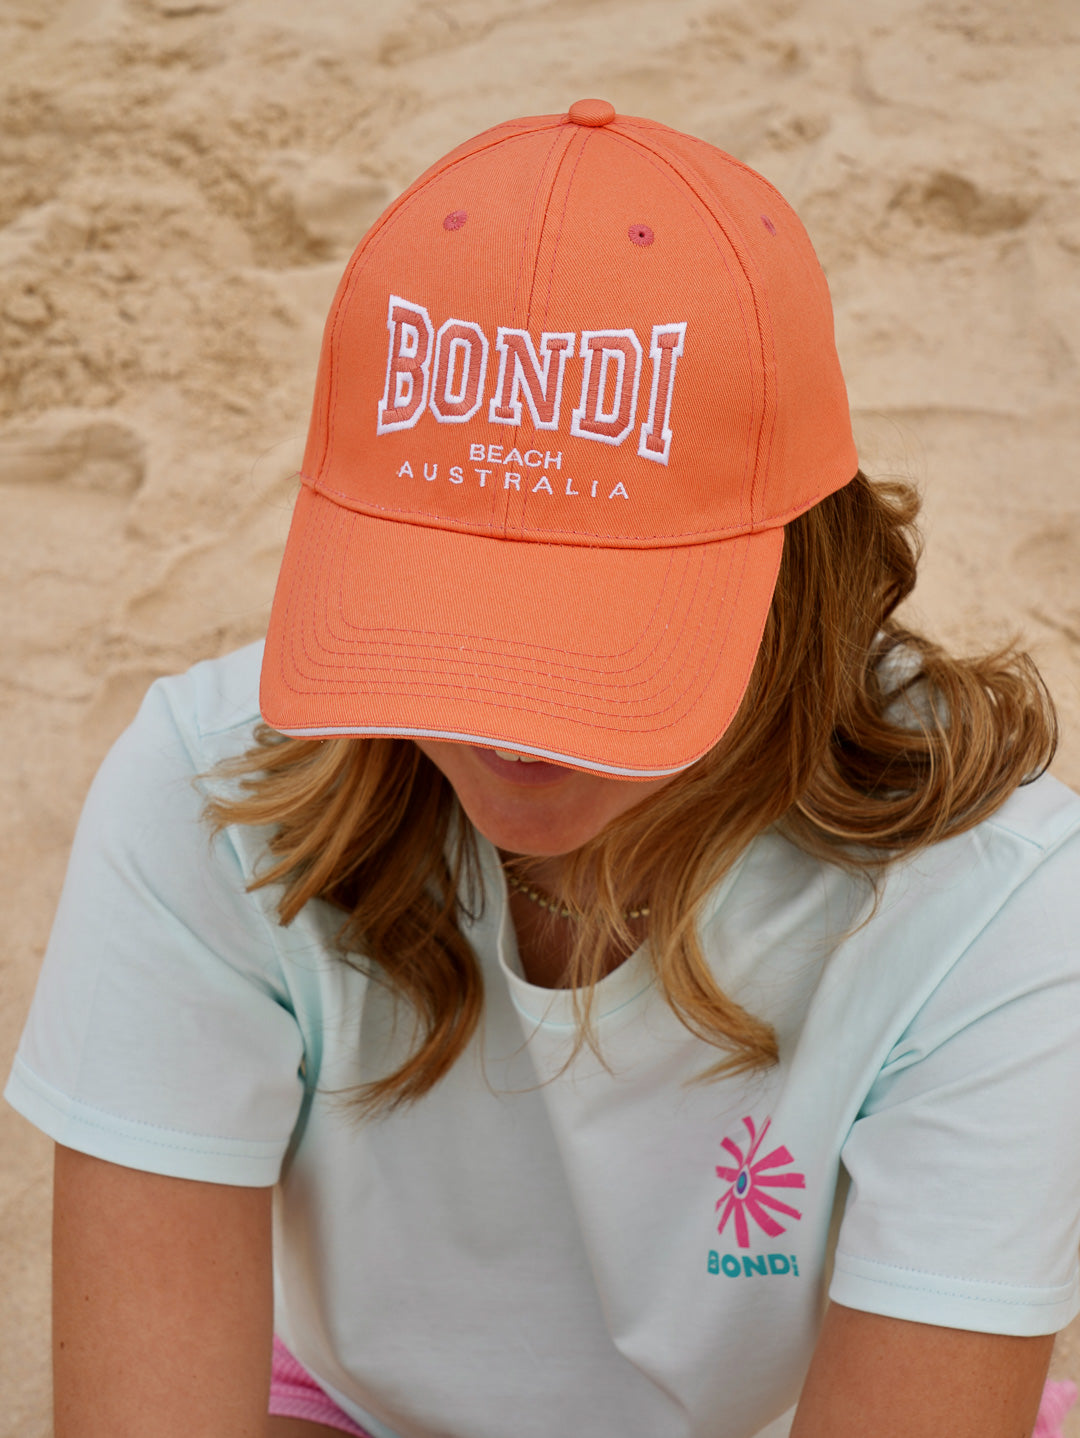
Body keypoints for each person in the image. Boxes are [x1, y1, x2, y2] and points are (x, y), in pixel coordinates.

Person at [6, 98, 1080, 1438]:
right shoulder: (207, 790)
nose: (509, 722)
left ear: (796, 557)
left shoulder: (990, 905)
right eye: (447, 605)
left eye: (593, 619)